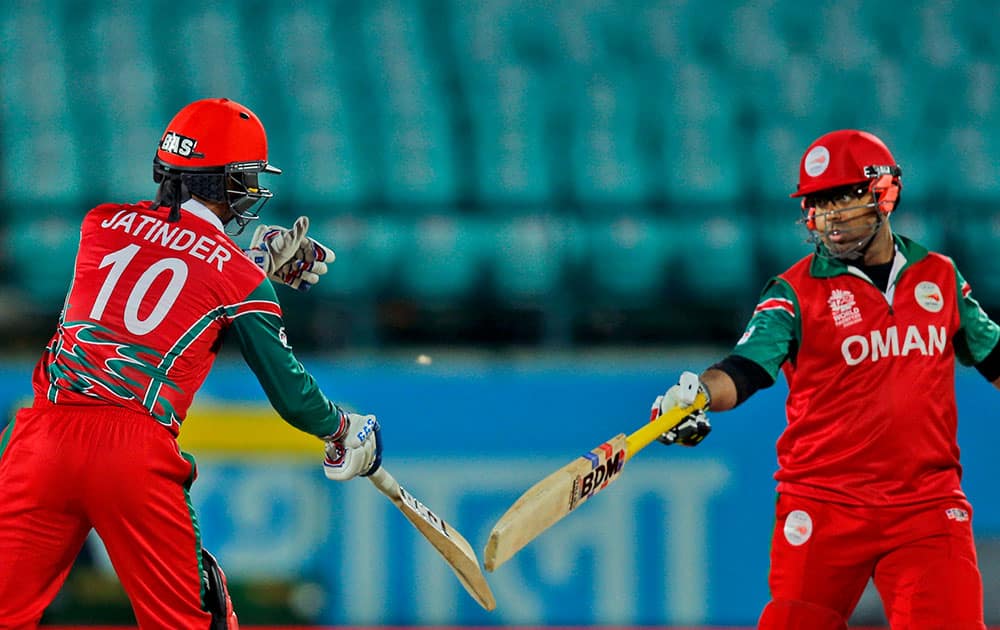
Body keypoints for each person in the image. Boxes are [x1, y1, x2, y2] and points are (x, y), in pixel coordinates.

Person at [0, 98, 382, 629]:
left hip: (40, 437)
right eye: (246, 179)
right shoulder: (240, 278)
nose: (252, 191)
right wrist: (343, 429)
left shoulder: (101, 223)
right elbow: (291, 395)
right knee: (188, 622)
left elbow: (161, 264)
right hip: (132, 451)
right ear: (227, 183)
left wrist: (249, 261)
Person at [652, 129, 996, 629]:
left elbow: (996, 356)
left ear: (883, 193)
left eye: (842, 197)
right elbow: (744, 369)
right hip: (824, 504)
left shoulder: (938, 276)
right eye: (818, 203)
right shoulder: (792, 292)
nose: (829, 216)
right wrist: (699, 394)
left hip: (926, 506)